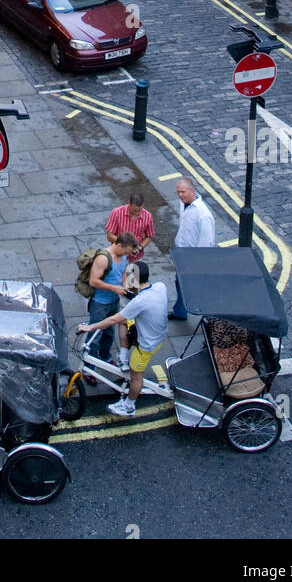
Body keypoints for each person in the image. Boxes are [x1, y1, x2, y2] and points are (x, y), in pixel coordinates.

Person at [78, 261, 169, 419]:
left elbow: (113, 320)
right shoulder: (160, 287)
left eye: (127, 276)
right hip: (157, 334)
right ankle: (123, 359)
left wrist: (91, 327)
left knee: (136, 377)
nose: (125, 279)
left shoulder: (140, 302)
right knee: (124, 321)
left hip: (146, 345)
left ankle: (129, 405)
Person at [169, 176, 216, 320]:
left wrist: (197, 263)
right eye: (178, 192)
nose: (180, 195)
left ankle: (210, 318)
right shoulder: (184, 204)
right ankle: (180, 311)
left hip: (194, 258)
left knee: (197, 289)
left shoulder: (203, 214)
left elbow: (207, 242)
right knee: (180, 283)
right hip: (182, 254)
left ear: (192, 191)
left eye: (183, 192)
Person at [86, 233, 139, 363]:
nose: (127, 255)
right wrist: (114, 288)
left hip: (114, 301)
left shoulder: (123, 256)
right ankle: (89, 366)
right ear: (119, 245)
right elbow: (93, 281)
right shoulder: (103, 258)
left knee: (109, 332)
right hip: (100, 303)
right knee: (95, 335)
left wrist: (125, 286)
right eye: (126, 251)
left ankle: (105, 356)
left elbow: (122, 272)